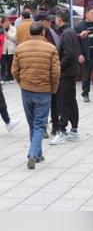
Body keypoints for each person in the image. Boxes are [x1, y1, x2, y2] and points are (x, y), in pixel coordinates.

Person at [12, 21, 60, 169]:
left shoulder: (20, 48)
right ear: (43, 33)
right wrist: (53, 88)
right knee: (39, 124)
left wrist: (22, 83)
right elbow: (56, 72)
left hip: (26, 91)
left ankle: (38, 155)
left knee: (32, 123)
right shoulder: (51, 48)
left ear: (29, 33)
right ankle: (33, 154)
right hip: (43, 91)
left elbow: (14, 70)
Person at [49, 10, 81, 144]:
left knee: (64, 102)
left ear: (59, 18)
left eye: (56, 18)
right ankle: (74, 130)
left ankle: (62, 130)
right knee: (70, 101)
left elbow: (68, 54)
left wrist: (58, 67)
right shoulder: (70, 31)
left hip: (66, 73)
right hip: (70, 72)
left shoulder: (66, 33)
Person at [35, 11, 60, 137]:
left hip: (52, 74)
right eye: (47, 20)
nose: (49, 22)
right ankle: (43, 127)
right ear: (40, 21)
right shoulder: (34, 35)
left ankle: (55, 126)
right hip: (40, 74)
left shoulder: (52, 32)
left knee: (55, 102)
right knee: (42, 104)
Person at [1, 16, 16, 83]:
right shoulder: (1, 29)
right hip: (3, 49)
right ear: (2, 23)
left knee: (10, 64)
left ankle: (11, 77)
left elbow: (15, 38)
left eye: (8, 21)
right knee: (3, 64)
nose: (7, 23)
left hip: (11, 49)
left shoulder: (14, 29)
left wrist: (8, 35)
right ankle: (2, 78)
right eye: (5, 22)